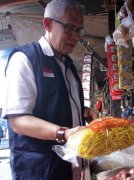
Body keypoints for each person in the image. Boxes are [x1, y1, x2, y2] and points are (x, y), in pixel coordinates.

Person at [1, 0, 98, 179]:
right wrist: (64, 133)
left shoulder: (66, 64)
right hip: (38, 169)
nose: (76, 37)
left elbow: (55, 103)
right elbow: (18, 120)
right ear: (48, 24)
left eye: (79, 30)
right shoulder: (25, 59)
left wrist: (82, 111)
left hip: (67, 164)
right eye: (69, 28)